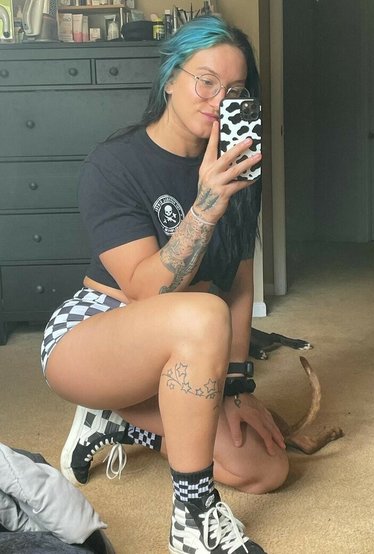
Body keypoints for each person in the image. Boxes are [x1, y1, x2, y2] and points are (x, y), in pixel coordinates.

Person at [40, 14, 289, 554]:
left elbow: (239, 280)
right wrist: (204, 207)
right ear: (171, 78)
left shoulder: (236, 166)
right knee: (202, 310)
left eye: (234, 91)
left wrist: (237, 387)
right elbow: (146, 290)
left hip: (187, 343)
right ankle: (193, 521)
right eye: (206, 81)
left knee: (264, 468)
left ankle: (117, 423)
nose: (218, 100)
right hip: (94, 330)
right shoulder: (115, 164)